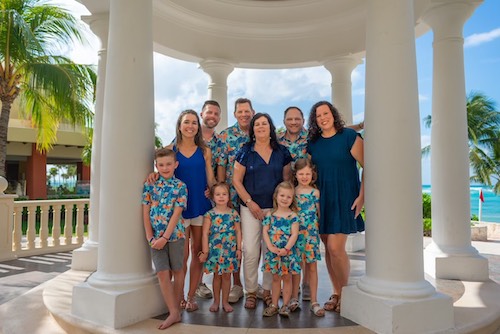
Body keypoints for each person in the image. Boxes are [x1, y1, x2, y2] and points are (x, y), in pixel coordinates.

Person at [149, 109, 216, 311]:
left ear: (198, 126)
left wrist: (213, 191)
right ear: (179, 125)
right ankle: (177, 299)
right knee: (182, 256)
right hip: (177, 211)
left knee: (198, 253)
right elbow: (162, 170)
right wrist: (152, 176)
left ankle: (190, 297)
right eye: (186, 122)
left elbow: (210, 177)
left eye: (194, 123)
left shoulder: (205, 150)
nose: (190, 126)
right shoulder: (171, 149)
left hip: (200, 207)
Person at [307, 101, 365, 313]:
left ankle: (345, 293)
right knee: (328, 251)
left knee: (335, 248)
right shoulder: (313, 143)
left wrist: (362, 196)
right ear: (315, 120)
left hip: (345, 197)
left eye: (326, 113)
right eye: (318, 115)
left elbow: (367, 166)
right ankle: (336, 293)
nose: (323, 117)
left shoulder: (350, 137)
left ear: (333, 114)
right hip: (322, 200)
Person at [233, 113, 293, 309]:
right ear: (252, 129)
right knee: (250, 249)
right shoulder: (245, 151)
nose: (260, 127)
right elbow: (236, 180)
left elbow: (286, 181)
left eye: (264, 123)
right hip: (250, 208)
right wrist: (250, 202)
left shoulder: (282, 152)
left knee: (271, 251)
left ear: (270, 127)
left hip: (275, 210)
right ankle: (250, 291)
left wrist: (281, 208)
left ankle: (267, 291)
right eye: (256, 124)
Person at [142, 148, 187, 330]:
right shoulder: (149, 185)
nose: (165, 167)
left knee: (177, 270)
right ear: (156, 166)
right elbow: (145, 211)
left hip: (175, 236)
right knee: (162, 272)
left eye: (169, 164)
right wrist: (150, 237)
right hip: (155, 238)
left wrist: (165, 237)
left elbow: (177, 213)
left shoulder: (181, 187)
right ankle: (173, 311)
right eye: (161, 165)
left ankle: (175, 310)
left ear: (175, 165)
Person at [218, 97, 255, 303]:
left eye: (247, 111)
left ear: (252, 111)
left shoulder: (260, 131)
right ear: (235, 114)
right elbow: (222, 164)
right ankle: (237, 284)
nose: (244, 114)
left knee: (253, 243)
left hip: (257, 196)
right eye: (240, 111)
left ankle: (252, 281)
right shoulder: (226, 136)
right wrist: (223, 193)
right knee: (234, 241)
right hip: (232, 196)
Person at [199, 182, 242, 313]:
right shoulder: (209, 214)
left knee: (227, 276)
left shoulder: (234, 214)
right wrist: (205, 251)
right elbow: (205, 233)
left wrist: (239, 249)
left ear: (229, 196)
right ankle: (216, 301)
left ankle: (225, 301)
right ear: (212, 197)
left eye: (224, 194)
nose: (221, 197)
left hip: (229, 250)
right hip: (215, 251)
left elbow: (238, 232)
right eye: (218, 194)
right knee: (217, 276)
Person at [261, 181, 300, 317]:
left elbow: (294, 234)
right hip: (273, 252)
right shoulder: (270, 215)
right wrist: (270, 247)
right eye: (282, 195)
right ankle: (274, 304)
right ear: (276, 196)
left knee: (287, 278)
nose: (285, 199)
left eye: (288, 197)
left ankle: (285, 305)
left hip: (287, 252)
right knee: (276, 279)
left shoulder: (293, 216)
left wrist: (286, 248)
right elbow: (265, 231)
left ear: (292, 199)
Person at [292, 158, 324, 317]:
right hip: (295, 235)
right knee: (296, 266)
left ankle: (314, 300)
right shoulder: (293, 192)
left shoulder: (315, 192)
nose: (304, 177)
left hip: (311, 235)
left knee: (312, 266)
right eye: (301, 173)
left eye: (307, 173)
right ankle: (293, 298)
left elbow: (319, 214)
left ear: (313, 174)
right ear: (295, 175)